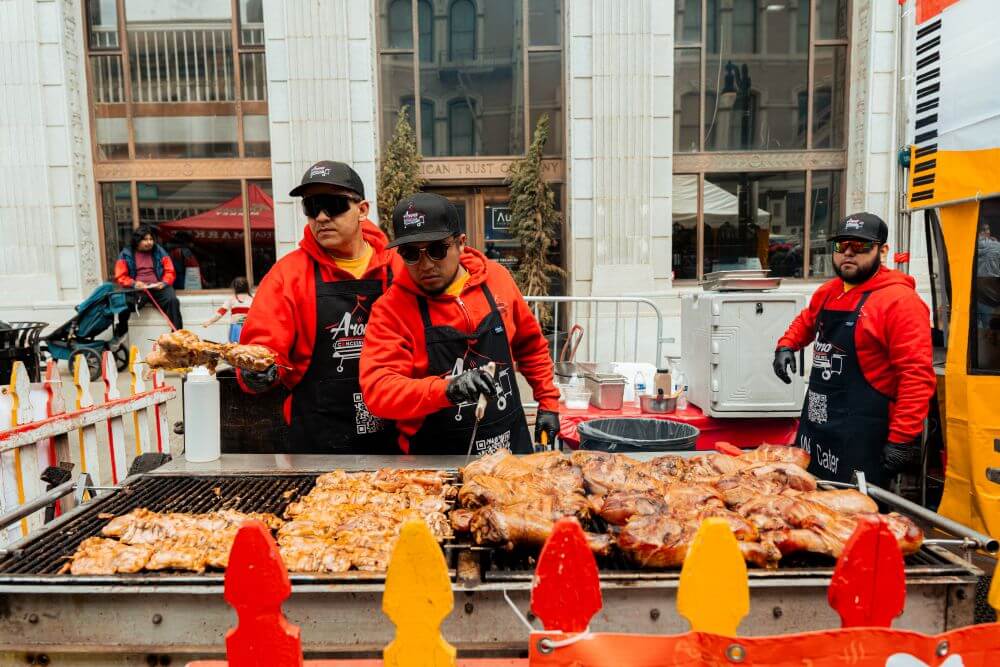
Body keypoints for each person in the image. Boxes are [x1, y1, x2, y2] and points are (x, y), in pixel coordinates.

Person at [360, 193, 560, 456]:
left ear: (461, 243)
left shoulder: (497, 279)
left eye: (436, 250)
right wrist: (448, 388)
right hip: (435, 460)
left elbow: (530, 345)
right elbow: (379, 391)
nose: (426, 264)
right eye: (411, 254)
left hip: (510, 447)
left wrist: (548, 402)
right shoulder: (391, 309)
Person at [236, 161, 397, 453]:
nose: (321, 217)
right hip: (317, 438)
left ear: (362, 210)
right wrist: (255, 371)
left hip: (394, 434)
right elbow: (261, 346)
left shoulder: (397, 268)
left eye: (333, 205)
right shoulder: (288, 275)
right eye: (311, 207)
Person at [772, 212, 936, 486]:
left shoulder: (900, 302)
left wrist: (902, 439)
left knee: (857, 516)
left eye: (860, 247)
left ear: (882, 251)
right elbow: (807, 320)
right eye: (841, 246)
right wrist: (787, 344)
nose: (848, 253)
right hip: (818, 423)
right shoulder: (829, 291)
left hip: (863, 434)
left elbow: (916, 377)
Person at [113, 225, 183, 332]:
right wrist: (134, 283)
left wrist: (164, 283)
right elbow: (120, 276)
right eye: (145, 239)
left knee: (173, 301)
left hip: (158, 287)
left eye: (151, 239)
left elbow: (170, 271)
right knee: (124, 304)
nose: (149, 242)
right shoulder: (126, 253)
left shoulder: (159, 251)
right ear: (137, 241)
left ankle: (177, 335)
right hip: (138, 289)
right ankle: (121, 332)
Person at [202, 277, 254, 342]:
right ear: (247, 287)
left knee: (234, 348)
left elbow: (220, 313)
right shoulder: (253, 300)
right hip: (248, 329)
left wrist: (209, 322)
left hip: (235, 328)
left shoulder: (231, 300)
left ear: (234, 287)